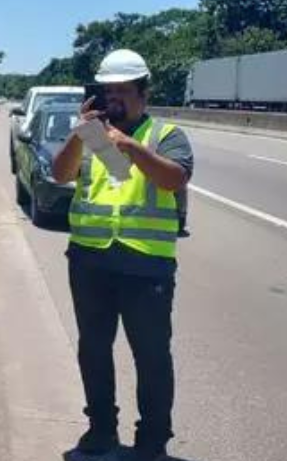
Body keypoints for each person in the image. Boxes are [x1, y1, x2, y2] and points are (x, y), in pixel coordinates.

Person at [52, 49, 192, 461]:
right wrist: (81, 133)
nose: (114, 99)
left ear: (143, 93)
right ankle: (100, 431)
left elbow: (174, 178)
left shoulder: (164, 136)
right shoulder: (93, 135)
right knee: (93, 351)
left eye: (123, 92)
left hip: (145, 266)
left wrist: (130, 145)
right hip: (91, 260)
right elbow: (61, 174)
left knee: (151, 356)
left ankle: (152, 441)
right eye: (108, 91)